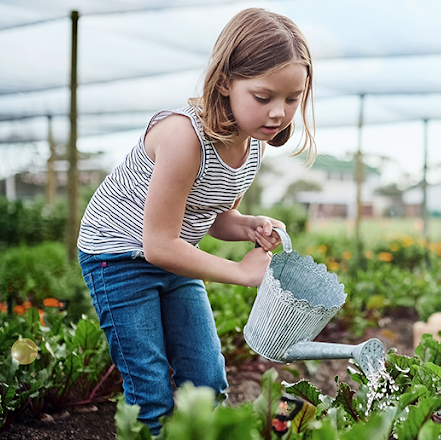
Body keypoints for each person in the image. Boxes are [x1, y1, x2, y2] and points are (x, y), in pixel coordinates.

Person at [76, 8, 315, 434]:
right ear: (225, 81)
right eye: (264, 97)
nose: (278, 113)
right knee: (150, 392)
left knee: (206, 381)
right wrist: (242, 273)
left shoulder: (252, 145)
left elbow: (216, 216)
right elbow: (159, 244)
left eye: (292, 99)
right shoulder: (183, 137)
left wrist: (247, 225)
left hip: (174, 258)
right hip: (118, 258)